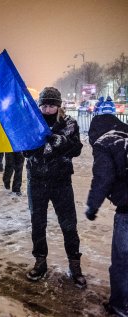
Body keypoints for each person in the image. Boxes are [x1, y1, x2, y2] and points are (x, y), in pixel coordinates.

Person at [23, 87, 85, 287]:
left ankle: (75, 265)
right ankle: (40, 261)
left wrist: (60, 142)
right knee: (38, 223)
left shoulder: (69, 124)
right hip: (37, 181)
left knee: (69, 224)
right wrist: (35, 144)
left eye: (51, 105)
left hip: (61, 182)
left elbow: (77, 149)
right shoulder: (32, 124)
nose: (47, 109)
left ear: (59, 106)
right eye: (44, 105)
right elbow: (25, 152)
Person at [85, 110, 128, 316]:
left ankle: (120, 306)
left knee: (122, 262)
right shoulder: (125, 136)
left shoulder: (105, 142)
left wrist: (92, 207)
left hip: (127, 211)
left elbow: (103, 178)